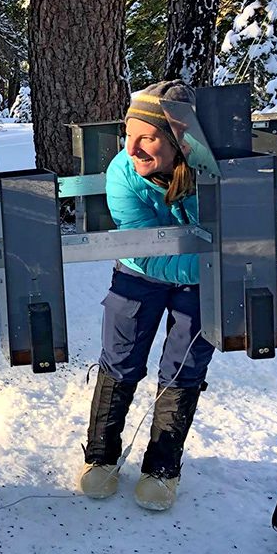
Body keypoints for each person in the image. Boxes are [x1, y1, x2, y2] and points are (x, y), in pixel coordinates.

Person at [78, 81, 214, 512]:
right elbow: (145, 250)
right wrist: (214, 261)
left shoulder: (213, 171)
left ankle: (162, 468)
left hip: (199, 283)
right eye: (128, 134)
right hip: (140, 274)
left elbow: (267, 208)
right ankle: (100, 457)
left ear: (178, 141)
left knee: (185, 366)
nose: (132, 148)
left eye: (147, 138)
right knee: (121, 359)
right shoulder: (122, 174)